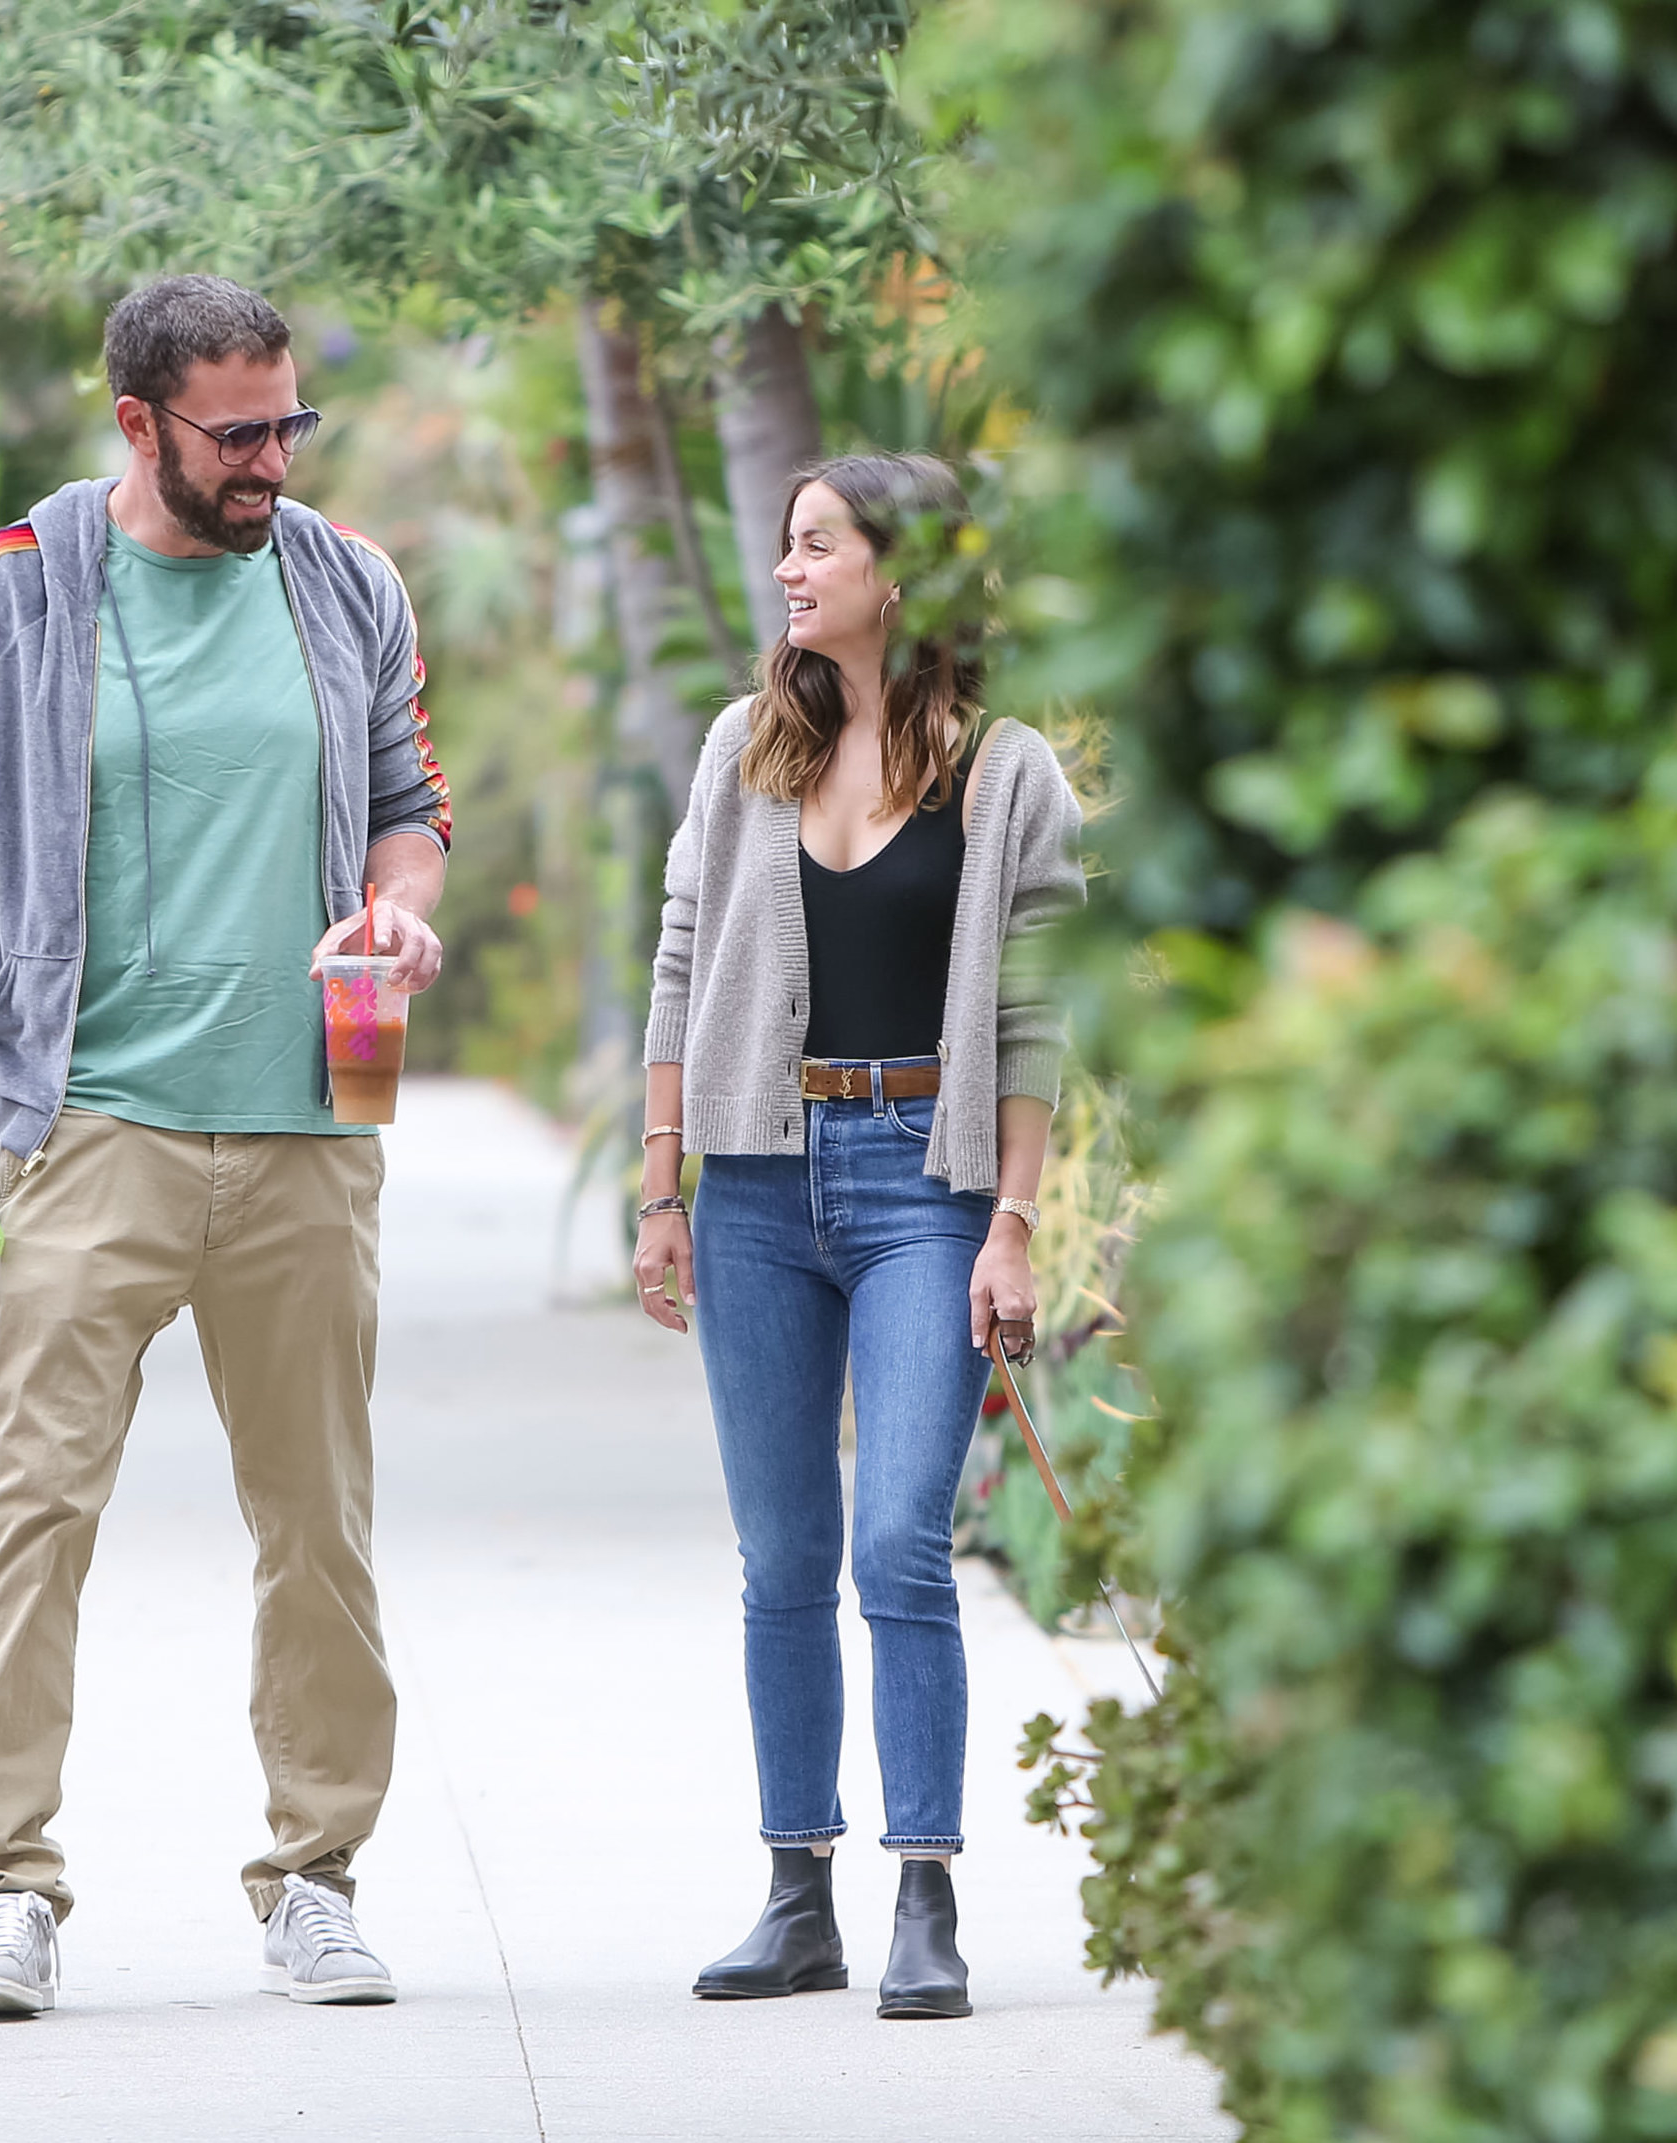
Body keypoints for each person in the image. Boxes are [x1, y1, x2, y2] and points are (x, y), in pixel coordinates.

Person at [0, 274, 452, 2018]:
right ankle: (6, 1889)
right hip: (86, 1127)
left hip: (305, 1128)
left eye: (291, 422)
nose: (272, 456)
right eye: (237, 430)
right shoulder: (8, 599)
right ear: (138, 425)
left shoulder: (346, 584)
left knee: (318, 1527)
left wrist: (400, 913)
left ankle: (316, 1876)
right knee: (30, 1510)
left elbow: (412, 812)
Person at [633, 452, 1085, 2020]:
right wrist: (660, 1188)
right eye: (783, 542)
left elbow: (1033, 1025)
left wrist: (1011, 1223)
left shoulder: (1008, 776)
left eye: (818, 542)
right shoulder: (742, 752)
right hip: (756, 1180)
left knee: (898, 1541)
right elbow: (679, 965)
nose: (787, 568)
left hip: (926, 1182)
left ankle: (927, 1895)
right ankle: (796, 1890)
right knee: (782, 1560)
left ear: (904, 573)